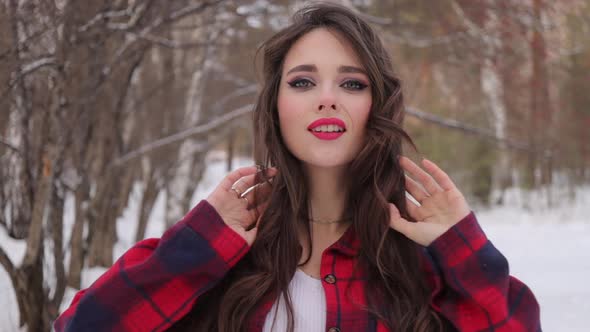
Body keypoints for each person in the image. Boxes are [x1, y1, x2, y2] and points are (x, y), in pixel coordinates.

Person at [54, 3, 541, 332]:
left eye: (352, 85)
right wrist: (195, 245)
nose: (327, 100)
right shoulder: (222, 253)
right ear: (275, 106)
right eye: (303, 82)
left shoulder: (422, 264)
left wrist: (462, 246)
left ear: (379, 104)